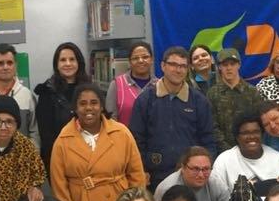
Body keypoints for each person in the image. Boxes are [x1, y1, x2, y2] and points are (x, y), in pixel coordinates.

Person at [52, 83, 148, 201]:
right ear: (75, 108)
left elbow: (136, 176)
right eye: (82, 104)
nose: (88, 108)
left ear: (102, 106)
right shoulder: (62, 140)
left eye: (94, 103)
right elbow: (60, 189)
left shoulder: (122, 133)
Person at [129, 46, 217, 188]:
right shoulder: (145, 100)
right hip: (154, 177)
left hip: (191, 177)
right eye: (173, 65)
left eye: (183, 66)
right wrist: (142, 170)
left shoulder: (199, 101)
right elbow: (136, 140)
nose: (178, 70)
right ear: (163, 66)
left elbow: (208, 139)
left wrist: (205, 169)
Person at [211, 112, 279, 195]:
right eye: (245, 133)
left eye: (256, 132)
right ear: (237, 137)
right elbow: (215, 195)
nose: (252, 136)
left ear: (262, 134)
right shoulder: (224, 161)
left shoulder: (278, 159)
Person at [36, 42, 91, 167]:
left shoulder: (90, 90)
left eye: (72, 59)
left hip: (88, 156)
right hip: (59, 158)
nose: (68, 63)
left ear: (79, 62)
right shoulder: (47, 92)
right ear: (56, 64)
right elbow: (46, 135)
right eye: (63, 60)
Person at [0, 44, 38, 145]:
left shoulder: (27, 95)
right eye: (0, 63)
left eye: (10, 63)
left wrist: (32, 153)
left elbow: (34, 131)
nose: (6, 67)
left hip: (22, 154)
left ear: (15, 66)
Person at [207, 48, 265, 151]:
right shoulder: (212, 94)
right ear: (219, 67)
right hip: (222, 152)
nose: (229, 68)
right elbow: (212, 125)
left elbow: (259, 122)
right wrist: (226, 150)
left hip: (250, 148)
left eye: (232, 64)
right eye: (225, 65)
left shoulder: (252, 92)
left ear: (239, 65)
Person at [152, 147, 229, 201]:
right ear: (183, 168)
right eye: (195, 169)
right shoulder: (166, 188)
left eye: (206, 169)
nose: (201, 175)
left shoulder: (217, 184)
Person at [105, 40, 156, 126]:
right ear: (129, 62)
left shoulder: (159, 85)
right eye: (135, 58)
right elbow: (110, 120)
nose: (141, 61)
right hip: (125, 134)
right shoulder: (117, 84)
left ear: (152, 60)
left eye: (145, 57)